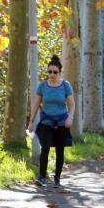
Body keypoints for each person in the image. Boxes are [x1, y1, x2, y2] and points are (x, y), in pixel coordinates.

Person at [28, 55, 74, 189]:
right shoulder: (42, 86)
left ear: (60, 72)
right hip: (46, 122)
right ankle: (42, 177)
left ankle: (57, 178)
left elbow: (72, 104)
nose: (52, 74)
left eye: (55, 72)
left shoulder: (65, 86)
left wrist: (70, 117)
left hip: (61, 122)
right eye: (49, 72)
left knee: (60, 150)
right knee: (45, 148)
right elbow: (35, 105)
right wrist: (31, 121)